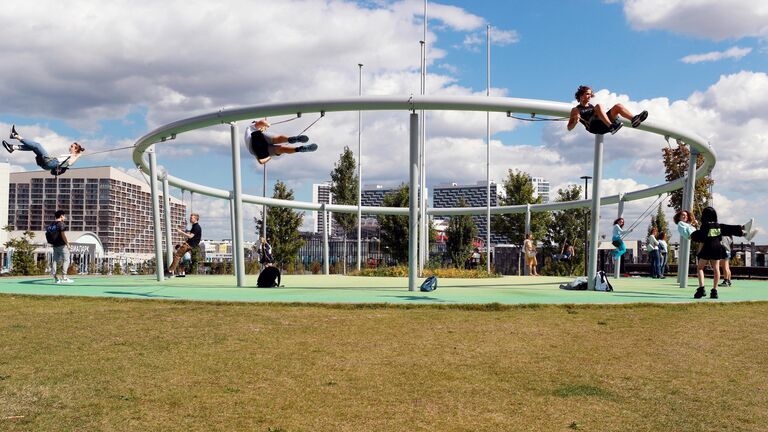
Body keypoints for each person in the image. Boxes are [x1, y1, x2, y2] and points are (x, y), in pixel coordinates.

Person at [690, 207, 746, 299]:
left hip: (707, 247)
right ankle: (714, 291)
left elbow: (702, 238)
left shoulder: (704, 225)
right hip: (717, 248)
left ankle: (701, 288)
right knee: (716, 269)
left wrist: (695, 230)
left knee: (700, 268)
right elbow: (720, 238)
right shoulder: (718, 225)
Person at [3, 125, 85, 175]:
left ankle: (15, 135)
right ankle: (12, 147)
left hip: (49, 162)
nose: (70, 147)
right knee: (33, 148)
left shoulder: (73, 156)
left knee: (37, 145)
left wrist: (77, 156)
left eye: (72, 146)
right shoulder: (69, 155)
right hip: (47, 164)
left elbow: (70, 163)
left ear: (75, 149)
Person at [567, 85, 648, 135]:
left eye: (590, 94)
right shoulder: (576, 110)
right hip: (594, 126)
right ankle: (611, 127)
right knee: (599, 106)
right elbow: (569, 128)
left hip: (602, 124)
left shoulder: (592, 106)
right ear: (581, 96)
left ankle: (634, 119)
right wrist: (574, 122)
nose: (590, 96)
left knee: (618, 106)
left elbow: (600, 113)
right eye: (587, 94)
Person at [244, 119, 318, 165]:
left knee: (282, 149)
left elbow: (261, 161)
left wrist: (271, 156)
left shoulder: (250, 132)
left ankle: (299, 149)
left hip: (256, 151)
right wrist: (267, 124)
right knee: (277, 139)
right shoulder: (251, 126)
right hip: (256, 138)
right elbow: (262, 122)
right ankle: (290, 139)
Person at [166, 213, 202, 277]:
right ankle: (171, 270)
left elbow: (190, 236)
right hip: (191, 245)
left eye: (191, 218)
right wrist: (183, 233)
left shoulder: (196, 227)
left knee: (177, 256)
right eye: (190, 217)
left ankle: (170, 271)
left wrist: (181, 232)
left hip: (188, 245)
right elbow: (191, 236)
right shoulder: (195, 226)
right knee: (179, 258)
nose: (190, 219)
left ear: (195, 219)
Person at [49, 210, 74, 284]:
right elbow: (63, 235)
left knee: (55, 261)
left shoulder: (52, 224)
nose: (65, 217)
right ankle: (64, 277)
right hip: (62, 245)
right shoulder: (61, 224)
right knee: (66, 260)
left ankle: (55, 277)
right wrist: (67, 244)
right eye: (64, 216)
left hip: (54, 245)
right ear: (61, 216)